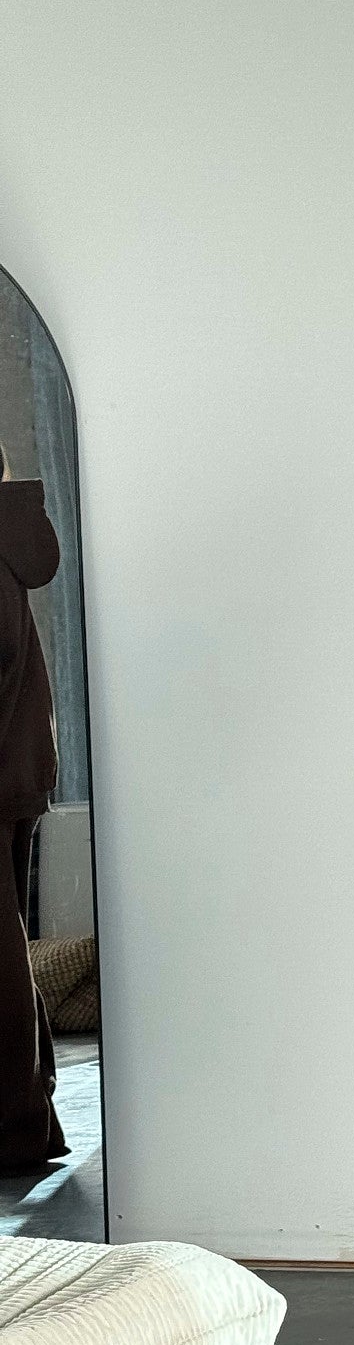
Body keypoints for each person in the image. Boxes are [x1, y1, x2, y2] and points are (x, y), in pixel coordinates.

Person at [0, 443, 67, 1174]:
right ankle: (27, 1117)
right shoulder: (13, 535)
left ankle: (16, 1127)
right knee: (7, 945)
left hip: (4, 775)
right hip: (16, 774)